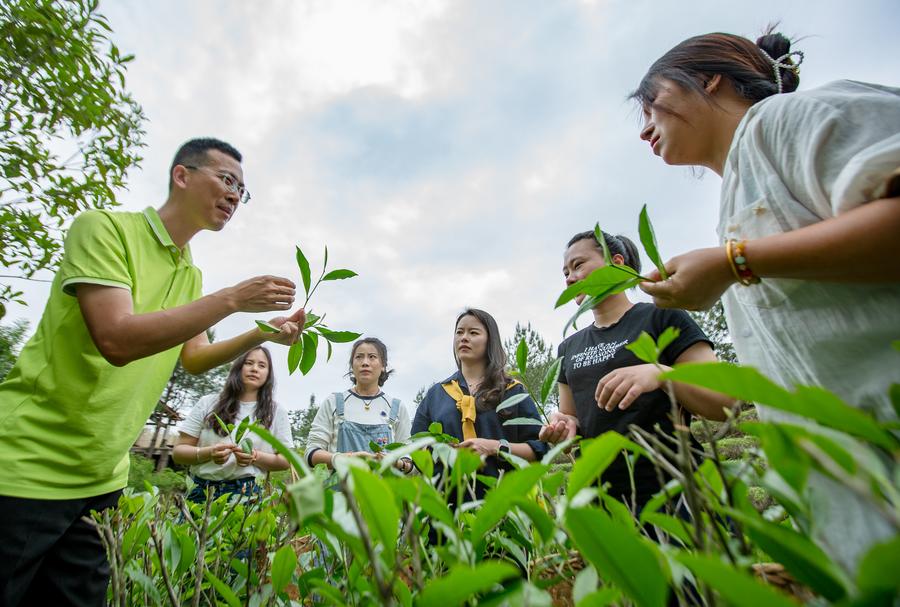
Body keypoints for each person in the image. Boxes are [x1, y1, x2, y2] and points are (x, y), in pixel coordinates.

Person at [631, 30, 900, 569]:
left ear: (709, 79)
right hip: (852, 486)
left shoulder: (786, 120)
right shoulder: (737, 195)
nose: (644, 129)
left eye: (651, 102)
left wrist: (734, 263)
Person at [0, 138, 305, 606]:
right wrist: (231, 299)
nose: (234, 195)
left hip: (102, 478)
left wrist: (261, 332)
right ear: (182, 175)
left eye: (242, 191)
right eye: (227, 180)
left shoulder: (190, 275)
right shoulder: (104, 230)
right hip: (28, 466)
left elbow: (194, 358)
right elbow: (117, 339)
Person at [539, 231, 732, 509]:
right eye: (565, 272)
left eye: (578, 265)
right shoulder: (568, 347)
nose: (569, 278)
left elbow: (724, 402)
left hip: (676, 491)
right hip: (604, 499)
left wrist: (661, 374)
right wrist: (564, 426)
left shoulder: (663, 316)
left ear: (617, 263)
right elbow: (573, 418)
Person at [412, 309, 548, 489]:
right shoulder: (436, 395)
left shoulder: (513, 392)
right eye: (459, 332)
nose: (464, 338)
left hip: (503, 497)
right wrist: (443, 452)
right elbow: (416, 447)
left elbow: (540, 449)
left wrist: (495, 447)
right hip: (448, 499)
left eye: (473, 333)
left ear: (490, 341)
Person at [173, 346, 292, 501]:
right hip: (200, 490)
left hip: (247, 492)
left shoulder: (276, 411)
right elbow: (179, 452)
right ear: (238, 367)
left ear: (268, 374)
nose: (255, 369)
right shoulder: (207, 403)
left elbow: (285, 460)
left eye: (262, 365)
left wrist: (254, 456)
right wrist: (208, 453)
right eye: (249, 363)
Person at [305, 337, 413, 473]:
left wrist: (399, 464)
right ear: (352, 365)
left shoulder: (396, 407)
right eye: (359, 357)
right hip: (340, 486)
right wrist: (346, 459)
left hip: (384, 486)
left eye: (372, 357)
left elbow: (410, 462)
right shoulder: (333, 402)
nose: (365, 363)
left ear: (383, 365)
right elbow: (310, 454)